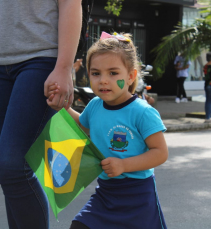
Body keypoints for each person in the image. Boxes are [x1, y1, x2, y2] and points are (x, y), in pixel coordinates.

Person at [0, 0, 82, 228]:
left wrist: (63, 67)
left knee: (11, 166)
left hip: (41, 59)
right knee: (12, 172)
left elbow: (70, 3)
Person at [47, 31, 168, 229]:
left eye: (113, 73)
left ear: (130, 77)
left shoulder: (143, 112)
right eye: (96, 73)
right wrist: (63, 108)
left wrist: (123, 165)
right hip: (106, 193)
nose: (103, 80)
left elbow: (160, 153)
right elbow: (83, 126)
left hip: (137, 195)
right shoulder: (95, 105)